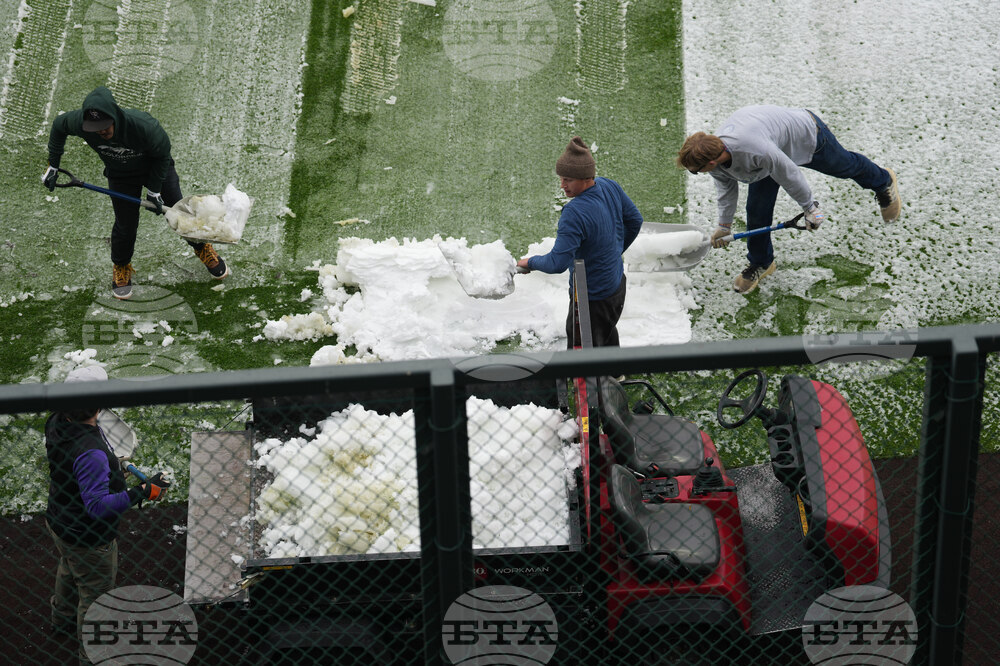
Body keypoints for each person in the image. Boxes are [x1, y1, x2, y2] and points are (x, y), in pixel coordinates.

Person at [677, 105, 900, 294]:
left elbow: (789, 174)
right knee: (756, 210)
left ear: (711, 163)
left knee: (845, 167)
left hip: (806, 136)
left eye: (697, 171)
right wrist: (723, 226)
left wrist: (810, 209)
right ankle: (762, 261)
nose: (697, 173)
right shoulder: (715, 160)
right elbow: (726, 190)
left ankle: (883, 181)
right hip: (764, 158)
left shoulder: (756, 150)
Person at [43, 86, 229, 300]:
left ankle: (202, 248)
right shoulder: (79, 123)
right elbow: (58, 127)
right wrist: (53, 165)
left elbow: (162, 155)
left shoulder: (143, 126)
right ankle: (121, 266)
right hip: (120, 175)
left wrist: (154, 189)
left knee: (178, 211)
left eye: (105, 126)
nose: (101, 132)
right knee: (125, 224)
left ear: (115, 116)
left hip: (156, 169)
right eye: (95, 128)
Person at [45, 365, 170, 664]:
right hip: (90, 536)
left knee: (69, 568)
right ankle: (92, 655)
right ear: (99, 404)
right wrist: (142, 492)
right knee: (95, 595)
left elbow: (83, 461)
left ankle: (61, 619)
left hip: (60, 521)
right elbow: (98, 506)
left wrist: (116, 465)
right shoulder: (92, 452)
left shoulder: (56, 421)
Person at [517, 137, 643, 347]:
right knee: (606, 331)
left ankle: (597, 380)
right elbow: (635, 220)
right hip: (616, 285)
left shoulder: (574, 212)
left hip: (590, 299)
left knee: (582, 357)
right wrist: (614, 252)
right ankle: (615, 373)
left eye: (568, 179)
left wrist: (530, 262)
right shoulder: (609, 185)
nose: (562, 185)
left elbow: (557, 263)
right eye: (561, 178)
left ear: (586, 178)